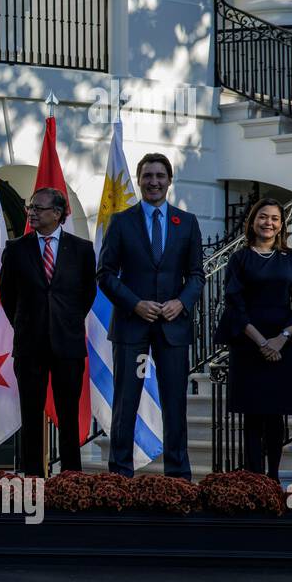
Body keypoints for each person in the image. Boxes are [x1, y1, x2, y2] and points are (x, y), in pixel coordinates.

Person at [96, 153, 203, 479]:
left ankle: (178, 479)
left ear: (169, 181)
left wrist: (181, 303)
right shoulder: (121, 221)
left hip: (173, 327)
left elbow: (197, 275)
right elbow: (105, 273)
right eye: (147, 176)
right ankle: (119, 476)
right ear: (139, 180)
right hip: (132, 325)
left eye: (160, 175)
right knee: (126, 402)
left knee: (174, 405)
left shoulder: (187, 222)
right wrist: (135, 304)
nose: (154, 182)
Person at [0, 187, 97, 476]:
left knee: (68, 414)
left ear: (57, 213)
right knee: (31, 413)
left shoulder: (81, 249)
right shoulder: (16, 249)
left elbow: (87, 294)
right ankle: (33, 476)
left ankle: (71, 477)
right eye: (31, 207)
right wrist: (27, 324)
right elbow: (8, 296)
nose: (31, 212)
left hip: (68, 344)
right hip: (30, 344)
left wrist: (64, 321)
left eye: (39, 208)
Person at [218, 197, 292, 484]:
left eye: (274, 218)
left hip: (283, 343)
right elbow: (234, 303)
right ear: (253, 221)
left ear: (281, 224)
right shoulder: (240, 258)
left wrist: (280, 339)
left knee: (275, 417)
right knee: (252, 416)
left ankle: (272, 479)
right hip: (249, 343)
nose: (268, 223)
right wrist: (262, 342)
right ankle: (253, 480)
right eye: (263, 217)